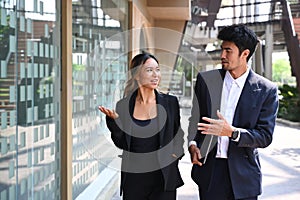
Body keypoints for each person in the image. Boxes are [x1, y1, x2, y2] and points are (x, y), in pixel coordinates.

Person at [188, 24, 279, 200]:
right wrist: (193, 144)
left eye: (228, 51)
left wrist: (232, 132)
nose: (222, 55)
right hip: (210, 172)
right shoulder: (206, 81)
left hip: (244, 176)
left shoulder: (266, 90)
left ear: (245, 54)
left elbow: (264, 136)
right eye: (222, 49)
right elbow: (195, 120)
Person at [99, 52, 184, 200]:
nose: (155, 75)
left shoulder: (170, 103)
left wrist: (175, 155)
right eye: (149, 70)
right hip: (134, 179)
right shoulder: (124, 105)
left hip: (163, 179)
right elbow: (123, 143)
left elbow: (178, 135)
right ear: (137, 75)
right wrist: (114, 122)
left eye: (157, 69)